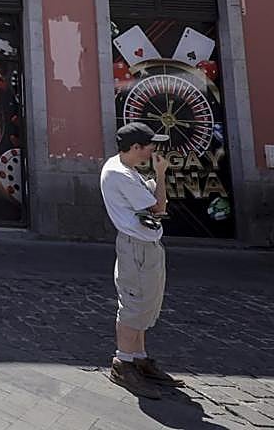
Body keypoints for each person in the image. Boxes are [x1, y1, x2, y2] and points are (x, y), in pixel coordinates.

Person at [100, 122, 183, 398]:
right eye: (150, 146)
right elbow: (158, 207)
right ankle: (123, 363)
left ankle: (139, 358)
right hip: (136, 246)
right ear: (136, 147)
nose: (153, 151)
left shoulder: (127, 168)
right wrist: (160, 174)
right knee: (134, 303)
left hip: (145, 244)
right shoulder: (119, 173)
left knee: (147, 302)